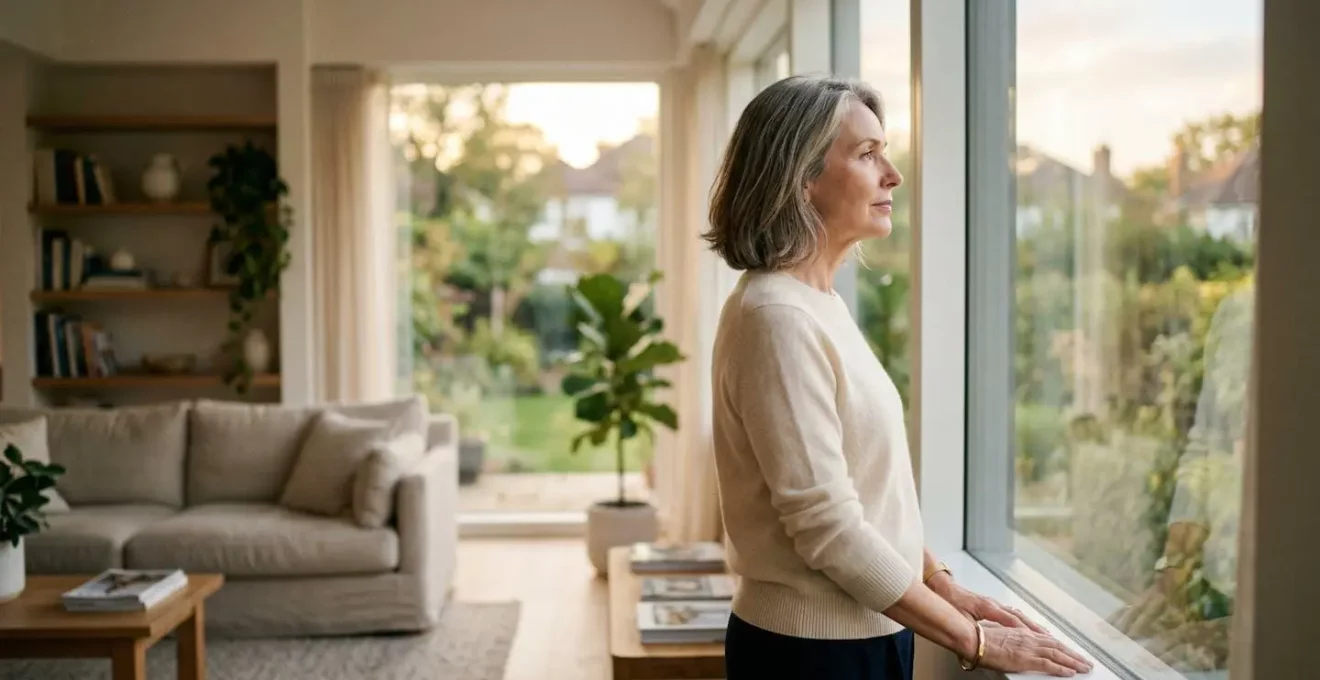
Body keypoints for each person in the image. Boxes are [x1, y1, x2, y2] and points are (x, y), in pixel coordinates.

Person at [702, 75, 1094, 679]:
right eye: (866, 153)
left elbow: (870, 496)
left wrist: (942, 583)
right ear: (799, 177)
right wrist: (977, 641)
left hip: (862, 636)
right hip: (811, 655)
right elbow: (828, 527)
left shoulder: (816, 304)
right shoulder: (775, 317)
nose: (893, 174)